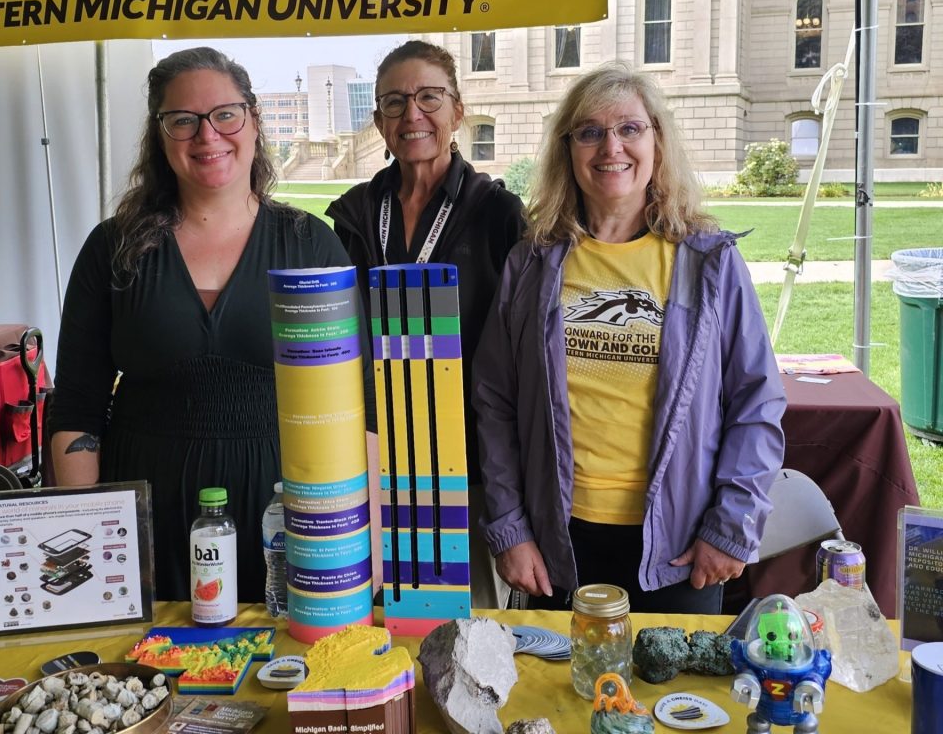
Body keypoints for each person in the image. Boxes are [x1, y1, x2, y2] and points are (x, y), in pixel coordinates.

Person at [50, 47, 376, 603]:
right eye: (183, 120)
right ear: (160, 135)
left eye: (225, 114)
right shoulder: (113, 249)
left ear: (252, 120)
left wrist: (361, 547)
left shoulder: (308, 245)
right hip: (143, 513)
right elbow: (78, 406)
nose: (207, 136)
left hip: (284, 515)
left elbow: (355, 405)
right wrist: (91, 543)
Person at [472, 60, 786, 613]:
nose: (609, 146)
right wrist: (509, 527)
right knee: (562, 697)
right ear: (567, 150)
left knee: (677, 699)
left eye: (629, 128)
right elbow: (495, 402)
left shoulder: (707, 262)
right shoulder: (533, 262)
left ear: (656, 140)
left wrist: (731, 526)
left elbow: (755, 402)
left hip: (679, 546)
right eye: (589, 132)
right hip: (558, 544)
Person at [327, 40, 525, 610]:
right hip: (372, 452)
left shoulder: (497, 215)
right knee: (377, 616)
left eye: (429, 97)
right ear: (378, 121)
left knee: (465, 622)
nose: (412, 114)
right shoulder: (354, 214)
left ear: (457, 110)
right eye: (394, 102)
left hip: (466, 455)